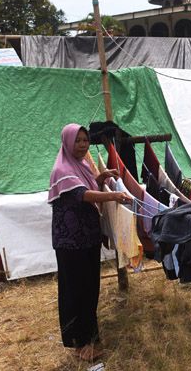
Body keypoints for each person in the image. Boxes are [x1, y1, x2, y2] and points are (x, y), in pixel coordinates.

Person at [48, 123, 131, 362]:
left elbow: (88, 185)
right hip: (71, 243)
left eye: (85, 140)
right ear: (67, 142)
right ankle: (80, 343)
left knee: (90, 289)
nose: (83, 145)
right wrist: (114, 195)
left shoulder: (81, 165)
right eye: (78, 140)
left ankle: (90, 338)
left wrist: (101, 177)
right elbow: (81, 194)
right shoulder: (62, 169)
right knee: (75, 291)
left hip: (87, 238)